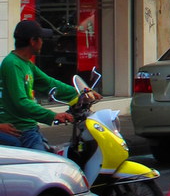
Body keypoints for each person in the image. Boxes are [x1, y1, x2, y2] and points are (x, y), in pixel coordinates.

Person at [0, 20, 98, 150]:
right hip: (21, 130)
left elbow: (49, 83)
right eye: (41, 39)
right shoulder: (13, 64)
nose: (43, 42)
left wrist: (82, 92)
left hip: (29, 128)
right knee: (44, 166)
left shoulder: (26, 64)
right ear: (33, 41)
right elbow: (21, 102)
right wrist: (52, 115)